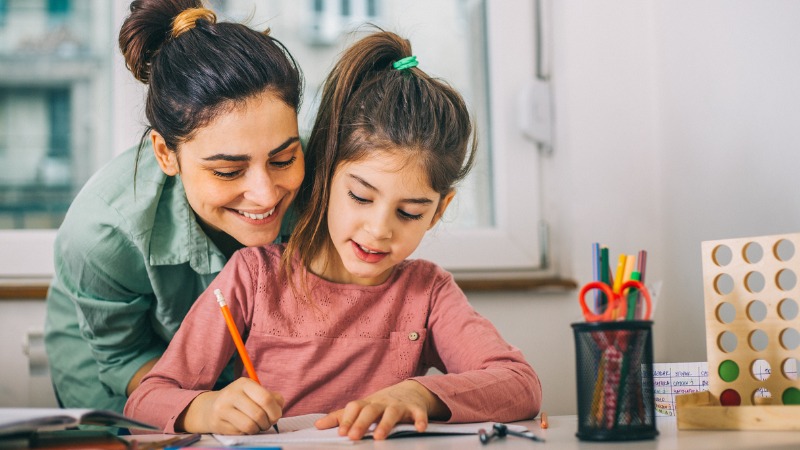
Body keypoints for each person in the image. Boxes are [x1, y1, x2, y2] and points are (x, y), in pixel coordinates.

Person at [125, 30, 542, 440]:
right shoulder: (254, 277)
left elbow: (521, 384)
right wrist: (206, 409)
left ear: (439, 211)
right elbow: (145, 400)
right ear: (324, 176)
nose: (379, 230)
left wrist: (418, 394)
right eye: (360, 197)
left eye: (409, 212)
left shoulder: (428, 293)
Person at [44, 0, 304, 413]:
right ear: (166, 154)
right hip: (124, 369)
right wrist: (201, 407)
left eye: (284, 159)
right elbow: (123, 357)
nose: (266, 194)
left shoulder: (331, 179)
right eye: (228, 171)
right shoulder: (102, 233)